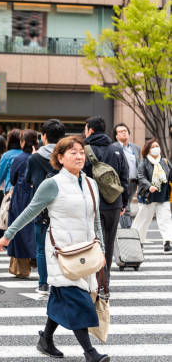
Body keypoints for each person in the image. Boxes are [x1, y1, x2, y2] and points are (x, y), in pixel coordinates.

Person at [0, 136, 109, 362]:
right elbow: (30, 211)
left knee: (61, 296)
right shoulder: (52, 184)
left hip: (86, 253)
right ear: (59, 158)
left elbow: (96, 219)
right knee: (77, 298)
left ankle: (46, 339)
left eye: (81, 152)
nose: (79, 156)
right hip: (62, 252)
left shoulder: (91, 183)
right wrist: (8, 235)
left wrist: (103, 252)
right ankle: (90, 353)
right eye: (72, 152)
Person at [84, 116, 129, 285]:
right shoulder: (116, 149)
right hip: (114, 204)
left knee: (94, 242)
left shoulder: (86, 150)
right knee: (109, 243)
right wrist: (123, 202)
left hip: (93, 204)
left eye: (86, 128)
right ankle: (105, 280)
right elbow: (124, 178)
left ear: (91, 130)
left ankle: (94, 280)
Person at [26, 119, 65, 294]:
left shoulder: (35, 158)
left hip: (42, 209)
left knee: (41, 247)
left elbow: (28, 180)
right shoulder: (66, 157)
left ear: (44, 137)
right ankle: (62, 281)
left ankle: (43, 283)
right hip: (64, 206)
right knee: (63, 245)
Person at [6, 129, 39, 278]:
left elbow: (12, 179)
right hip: (37, 195)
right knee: (34, 229)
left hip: (20, 196)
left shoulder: (19, 159)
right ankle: (35, 258)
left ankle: (21, 268)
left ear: (23, 142)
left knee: (19, 229)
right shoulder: (38, 157)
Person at [133, 139, 172, 251]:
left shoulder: (165, 161)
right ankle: (138, 242)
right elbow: (140, 177)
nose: (156, 148)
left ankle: (167, 242)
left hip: (163, 196)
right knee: (143, 220)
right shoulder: (144, 162)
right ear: (148, 150)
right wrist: (149, 186)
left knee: (165, 219)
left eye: (157, 146)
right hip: (148, 196)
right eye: (153, 146)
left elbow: (170, 176)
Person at [113, 123, 141, 220]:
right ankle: (126, 230)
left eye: (125, 131)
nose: (124, 133)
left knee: (126, 205)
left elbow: (138, 164)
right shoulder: (113, 147)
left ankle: (124, 229)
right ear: (116, 136)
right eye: (120, 131)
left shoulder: (135, 148)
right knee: (125, 207)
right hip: (120, 183)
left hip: (133, 183)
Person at [0, 129, 23, 197]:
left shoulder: (7, 155)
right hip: (25, 191)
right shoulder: (27, 155)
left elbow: (0, 174)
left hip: (10, 190)